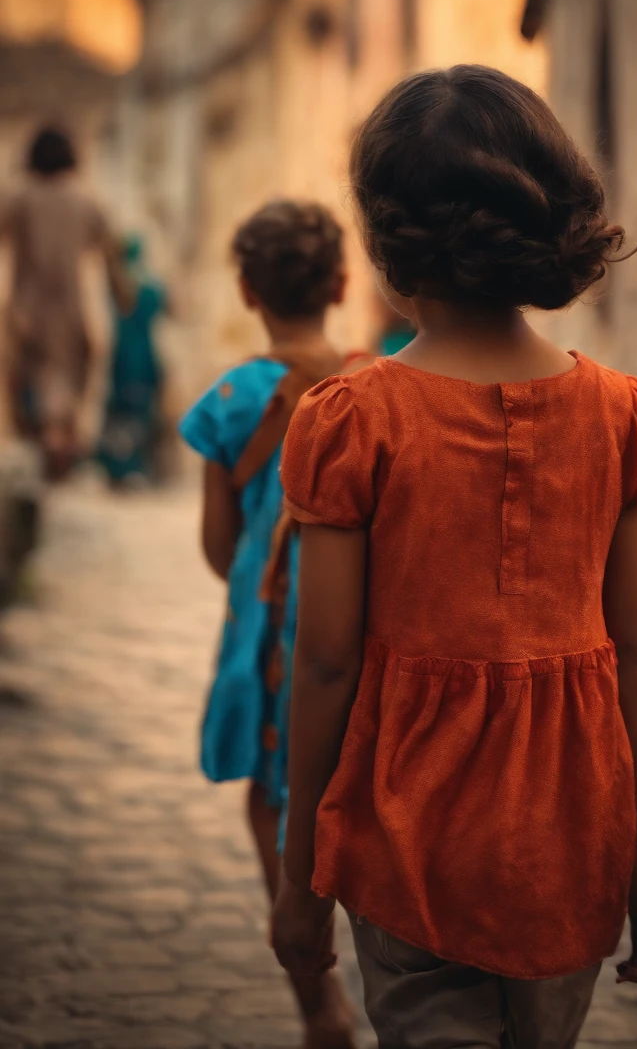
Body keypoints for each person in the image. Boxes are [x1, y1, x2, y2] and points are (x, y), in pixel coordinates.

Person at [272, 66, 637, 1049]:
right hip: (570, 837)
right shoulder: (620, 415)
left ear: (384, 237)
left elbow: (323, 662)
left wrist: (298, 875)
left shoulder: (353, 420)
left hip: (410, 830)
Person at [179, 200, 357, 1049]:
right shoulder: (373, 384)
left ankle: (317, 998)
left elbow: (220, 551)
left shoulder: (230, 399)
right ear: (343, 283)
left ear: (247, 289)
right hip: (353, 633)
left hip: (265, 636)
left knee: (271, 798)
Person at [0, 126, 131, 480]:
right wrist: (123, 295)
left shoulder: (20, 198)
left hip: (26, 310)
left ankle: (44, 449)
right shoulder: (86, 201)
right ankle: (57, 446)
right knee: (65, 382)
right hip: (74, 311)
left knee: (33, 382)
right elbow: (112, 255)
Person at [97, 234, 168, 486]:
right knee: (139, 412)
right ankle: (133, 466)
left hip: (120, 356)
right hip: (144, 355)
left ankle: (117, 468)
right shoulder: (151, 286)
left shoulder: (115, 285)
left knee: (119, 411)